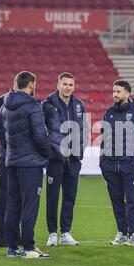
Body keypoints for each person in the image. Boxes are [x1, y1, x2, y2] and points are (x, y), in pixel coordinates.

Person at [0, 71, 52, 259]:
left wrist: (11, 154)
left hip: (12, 162)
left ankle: (12, 248)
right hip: (30, 165)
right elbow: (40, 136)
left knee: (13, 205)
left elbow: (2, 137)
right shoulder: (32, 106)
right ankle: (29, 248)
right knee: (30, 205)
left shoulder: (4, 107)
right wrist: (48, 154)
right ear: (30, 85)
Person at [42, 73, 88, 246]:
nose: (68, 87)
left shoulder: (79, 105)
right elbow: (42, 131)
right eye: (65, 84)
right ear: (58, 85)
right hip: (55, 159)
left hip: (74, 160)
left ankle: (66, 233)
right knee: (52, 197)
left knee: (70, 197)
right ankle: (52, 233)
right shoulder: (47, 105)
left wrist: (80, 152)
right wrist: (50, 152)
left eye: (71, 85)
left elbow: (84, 130)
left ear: (74, 87)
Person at [100, 80, 134, 247]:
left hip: (128, 164)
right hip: (110, 165)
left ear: (127, 94)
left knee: (132, 200)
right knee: (116, 200)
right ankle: (122, 232)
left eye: (118, 91)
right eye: (113, 91)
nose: (115, 94)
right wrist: (102, 161)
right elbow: (104, 138)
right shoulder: (108, 112)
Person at [0, 81, 18, 248]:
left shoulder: (27, 101)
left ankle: (16, 234)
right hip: (7, 155)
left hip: (22, 157)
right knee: (4, 196)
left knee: (19, 197)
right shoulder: (2, 101)